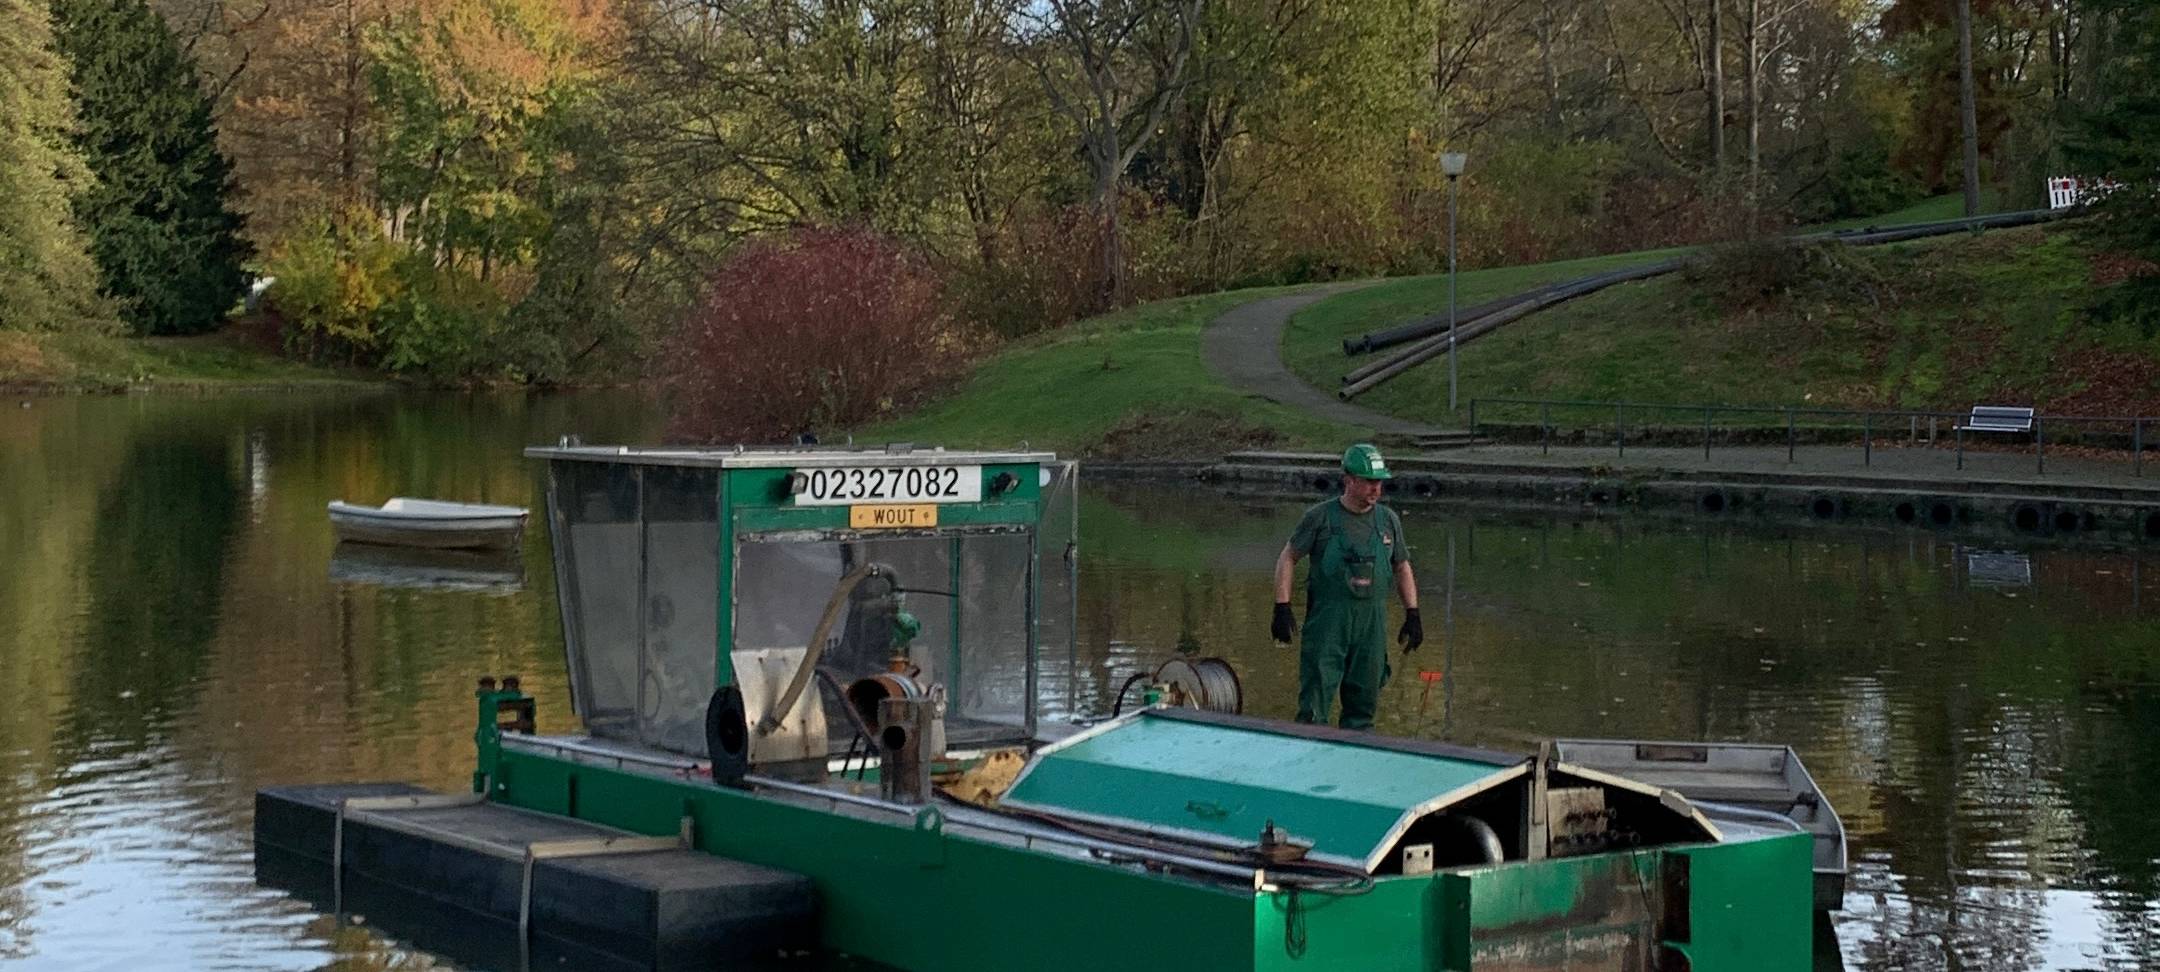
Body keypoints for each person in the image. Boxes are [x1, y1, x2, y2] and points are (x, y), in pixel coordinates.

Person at [1270, 443, 1421, 729]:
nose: (1376, 489)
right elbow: (1288, 556)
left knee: (1363, 707)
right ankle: (1309, 760)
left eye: (1380, 482)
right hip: (1328, 625)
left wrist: (1413, 613)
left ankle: (1356, 763)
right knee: (1314, 708)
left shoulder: (1387, 521)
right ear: (1349, 480)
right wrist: (1282, 605)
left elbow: (1401, 566)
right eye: (1369, 482)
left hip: (1371, 626)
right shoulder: (1320, 517)